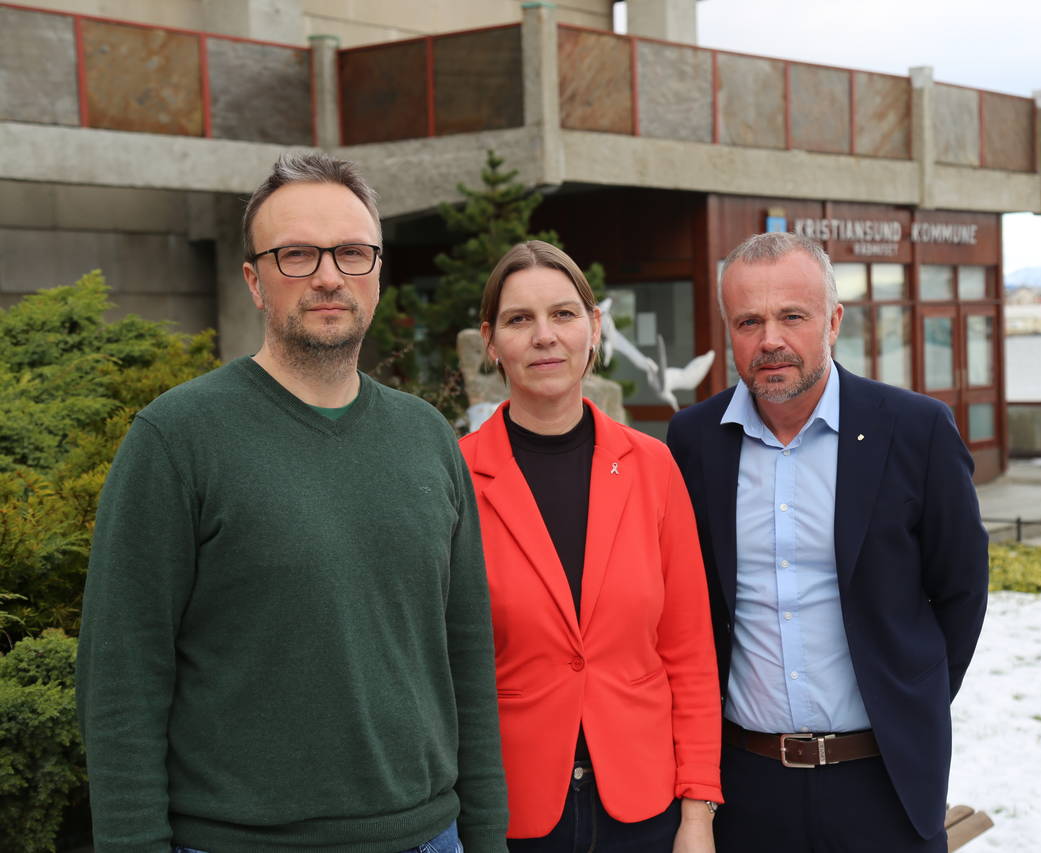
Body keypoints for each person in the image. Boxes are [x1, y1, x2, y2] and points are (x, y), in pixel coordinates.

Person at [76, 152, 507, 853]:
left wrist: (486, 838)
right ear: (253, 278)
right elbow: (121, 682)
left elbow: (467, 664)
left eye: (351, 253)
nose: (330, 275)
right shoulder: (176, 438)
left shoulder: (427, 437)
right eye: (297, 254)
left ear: (377, 271)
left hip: (431, 837)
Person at [666, 232, 989, 852]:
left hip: (884, 781)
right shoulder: (694, 442)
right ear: (727, 329)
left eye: (793, 316)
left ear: (834, 320)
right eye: (749, 321)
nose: (770, 341)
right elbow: (693, 608)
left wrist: (908, 698)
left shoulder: (915, 430)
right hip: (745, 788)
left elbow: (962, 591)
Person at [457, 241, 722, 852]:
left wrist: (698, 813)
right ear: (491, 341)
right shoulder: (456, 477)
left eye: (564, 314)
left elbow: (688, 653)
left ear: (594, 328)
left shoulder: (652, 467)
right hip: (510, 815)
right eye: (519, 320)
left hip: (645, 810)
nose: (545, 336)